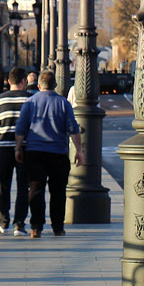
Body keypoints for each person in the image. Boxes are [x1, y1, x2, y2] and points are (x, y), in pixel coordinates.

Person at [14, 71, 83, 238]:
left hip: (35, 152)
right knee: (58, 192)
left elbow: (21, 129)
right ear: (55, 86)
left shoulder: (30, 103)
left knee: (36, 189)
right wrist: (79, 150)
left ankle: (36, 226)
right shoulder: (63, 103)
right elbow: (73, 129)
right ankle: (58, 227)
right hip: (58, 153)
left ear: (38, 86)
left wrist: (18, 148)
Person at [0, 67, 33, 235]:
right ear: (24, 81)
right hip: (25, 148)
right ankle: (19, 224)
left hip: (4, 148)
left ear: (9, 81)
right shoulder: (32, 99)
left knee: (4, 185)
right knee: (23, 186)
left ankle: (2, 220)